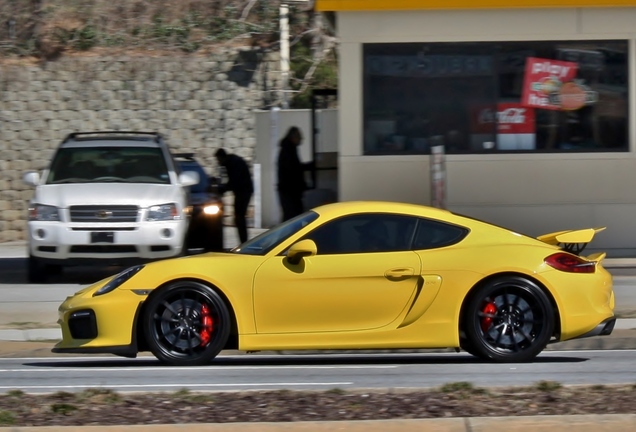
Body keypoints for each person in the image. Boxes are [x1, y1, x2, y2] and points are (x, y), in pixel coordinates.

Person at [214, 148, 254, 244]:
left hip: (244, 191)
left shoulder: (233, 163)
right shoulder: (231, 162)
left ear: (222, 157)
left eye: (218, 160)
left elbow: (234, 182)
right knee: (239, 217)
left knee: (239, 217)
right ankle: (243, 241)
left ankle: (244, 241)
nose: (218, 163)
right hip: (242, 191)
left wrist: (221, 189)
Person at [277, 126, 313, 222]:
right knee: (292, 219)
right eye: (299, 136)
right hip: (290, 191)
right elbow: (293, 170)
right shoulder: (289, 150)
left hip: (288, 191)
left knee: (290, 219)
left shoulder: (287, 149)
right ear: (294, 137)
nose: (301, 139)